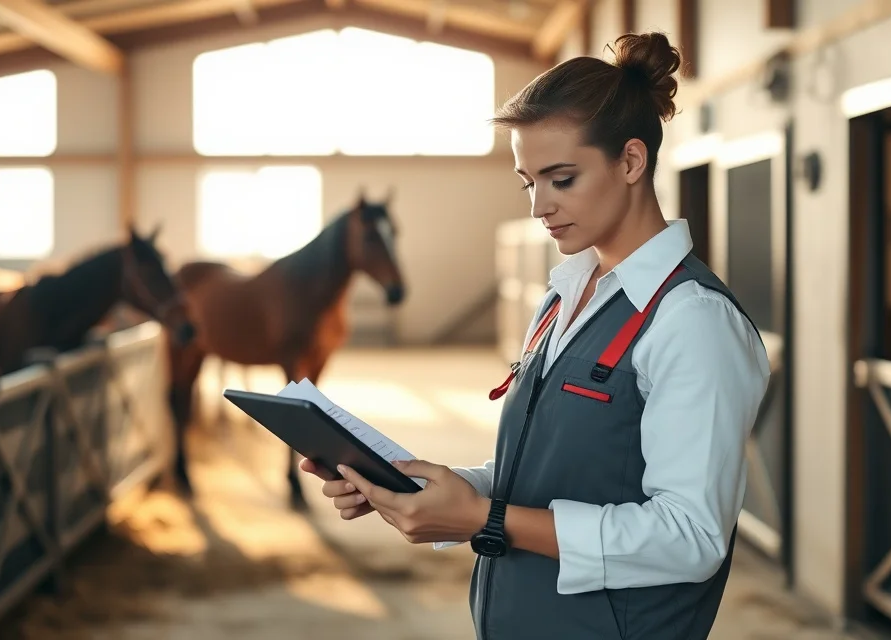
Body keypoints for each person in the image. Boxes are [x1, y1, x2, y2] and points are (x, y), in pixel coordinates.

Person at [299, 31, 771, 640]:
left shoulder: (693, 322)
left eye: (562, 178)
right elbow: (548, 470)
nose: (538, 206)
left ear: (631, 161)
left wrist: (486, 520)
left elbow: (691, 539)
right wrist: (422, 489)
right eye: (529, 182)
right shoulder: (565, 295)